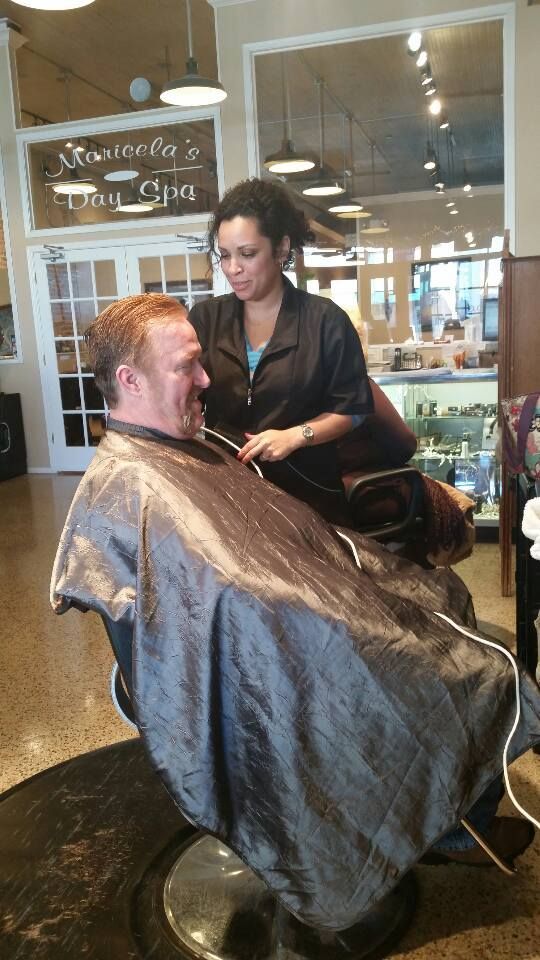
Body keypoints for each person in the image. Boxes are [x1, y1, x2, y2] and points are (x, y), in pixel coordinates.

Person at [51, 294, 538, 931]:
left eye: (203, 365)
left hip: (289, 614)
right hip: (272, 647)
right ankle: (438, 820)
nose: (206, 382)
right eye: (187, 369)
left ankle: (444, 805)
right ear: (130, 380)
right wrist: (353, 618)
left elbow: (261, 559)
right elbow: (242, 601)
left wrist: (348, 572)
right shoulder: (133, 485)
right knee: (452, 668)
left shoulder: (181, 448)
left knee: (435, 602)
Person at [189, 177, 373, 525]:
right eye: (224, 255)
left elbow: (354, 409)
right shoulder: (206, 319)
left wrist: (296, 436)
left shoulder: (325, 322)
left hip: (308, 498)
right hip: (231, 497)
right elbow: (186, 393)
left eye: (247, 254)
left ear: (282, 248)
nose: (233, 269)